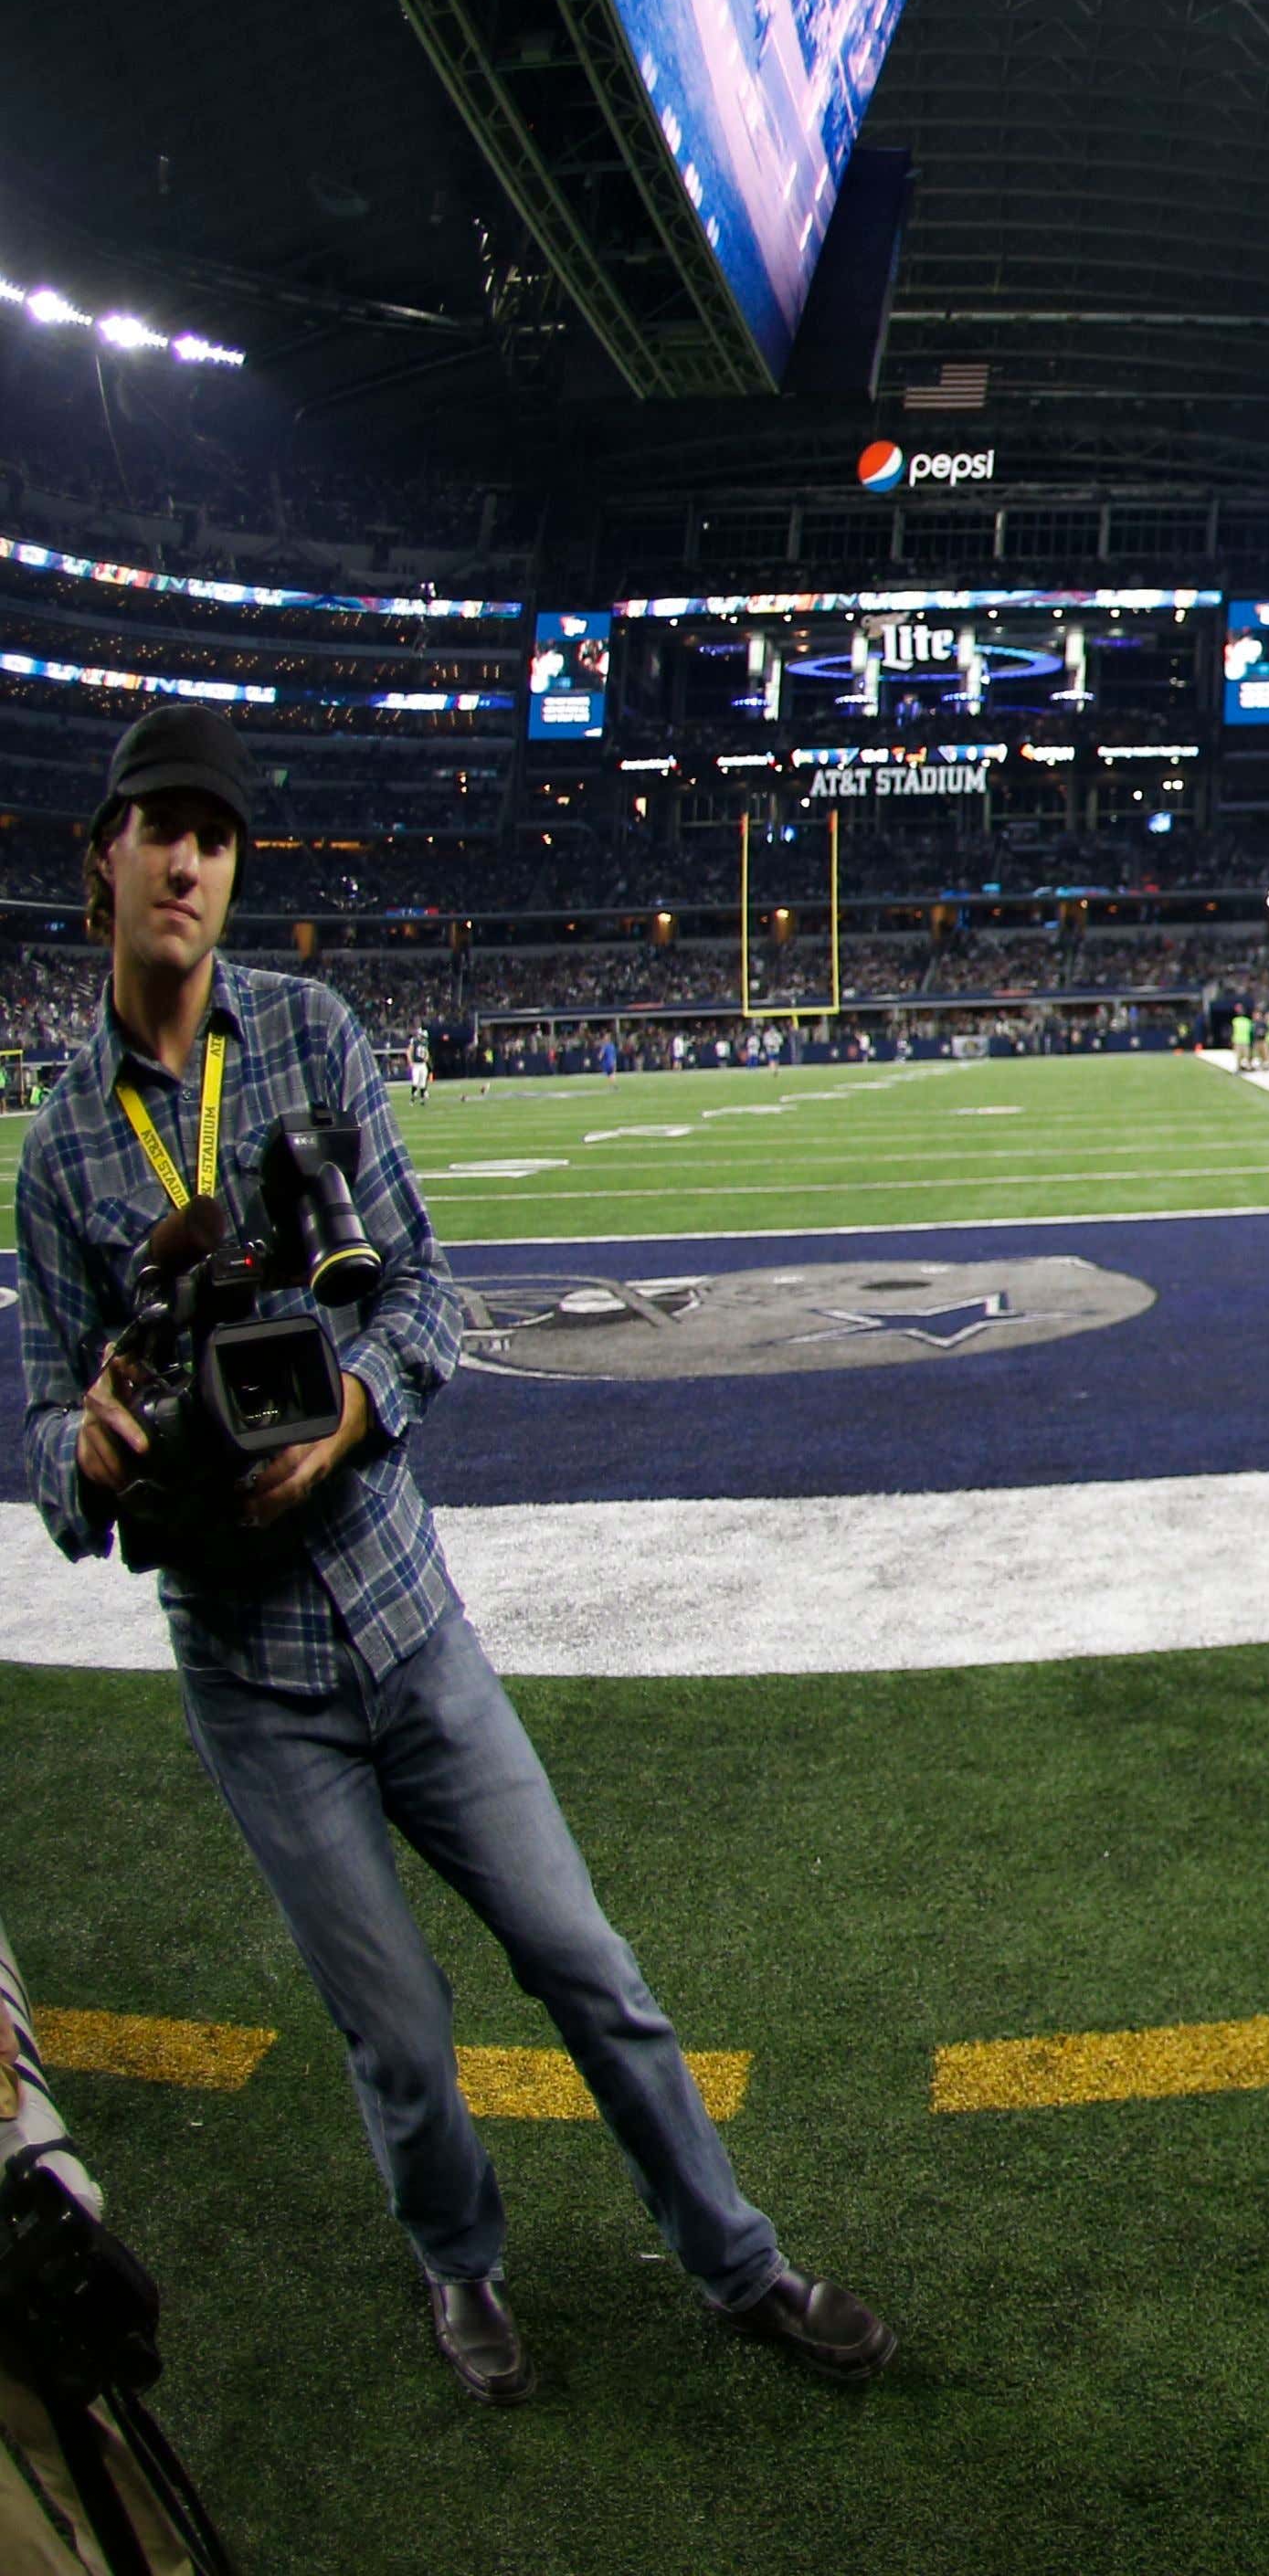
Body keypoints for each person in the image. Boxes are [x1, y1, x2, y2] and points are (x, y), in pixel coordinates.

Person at [11, 709, 890, 2408]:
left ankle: (740, 2261)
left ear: (234, 866)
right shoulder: (60, 1155)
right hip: (254, 1677)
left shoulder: (314, 1034)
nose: (185, 857)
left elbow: (422, 1295)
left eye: (213, 832)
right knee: (399, 2035)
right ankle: (460, 2267)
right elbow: (45, 1420)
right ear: (102, 857)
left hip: (406, 1616)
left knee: (587, 1963)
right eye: (154, 827)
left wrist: (344, 1409)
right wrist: (88, 1451)